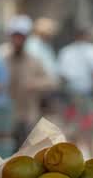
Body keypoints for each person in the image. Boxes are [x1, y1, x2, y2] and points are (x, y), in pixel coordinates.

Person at [4, 16, 59, 148]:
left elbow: (52, 81)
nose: (17, 40)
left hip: (28, 115)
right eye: (15, 36)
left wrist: (34, 84)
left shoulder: (34, 60)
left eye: (21, 37)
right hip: (6, 115)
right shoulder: (2, 57)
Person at [56, 25, 93, 140]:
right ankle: (88, 154)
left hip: (71, 94)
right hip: (86, 94)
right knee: (89, 127)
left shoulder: (66, 51)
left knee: (73, 126)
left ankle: (74, 152)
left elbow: (62, 76)